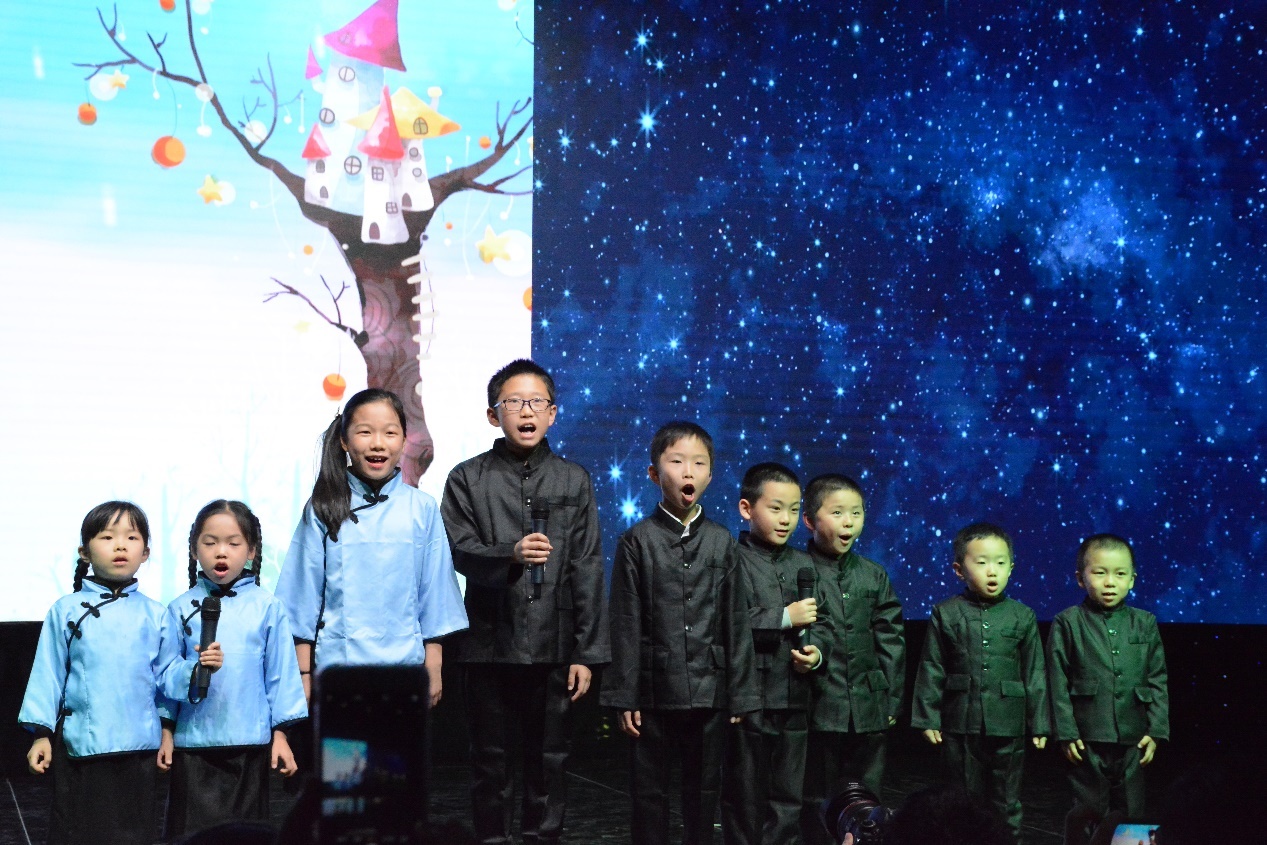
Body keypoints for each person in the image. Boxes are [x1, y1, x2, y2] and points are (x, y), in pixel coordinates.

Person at [440, 359, 609, 845]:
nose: (526, 411)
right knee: (489, 762)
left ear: (553, 413)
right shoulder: (467, 478)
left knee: (549, 761)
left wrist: (585, 652)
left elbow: (587, 565)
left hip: (554, 645)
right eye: (514, 402)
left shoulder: (573, 479)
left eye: (537, 402)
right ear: (493, 415)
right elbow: (457, 550)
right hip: (488, 643)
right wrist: (508, 554)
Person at [18, 501, 220, 845]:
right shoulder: (66, 610)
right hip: (83, 747)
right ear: (84, 552)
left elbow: (167, 675)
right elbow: (47, 674)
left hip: (138, 749)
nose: (120, 546)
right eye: (107, 537)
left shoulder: (155, 614)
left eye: (131, 537)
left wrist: (198, 669)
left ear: (146, 553)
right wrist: (41, 734)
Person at [602, 421, 757, 845]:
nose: (688, 471)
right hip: (654, 690)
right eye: (676, 462)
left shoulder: (722, 541)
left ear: (710, 475)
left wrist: (741, 693)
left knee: (704, 791)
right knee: (648, 792)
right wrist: (625, 695)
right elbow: (625, 620)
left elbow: (735, 619)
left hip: (710, 690)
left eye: (698, 463)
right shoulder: (637, 541)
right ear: (654, 474)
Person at [276, 387, 467, 703]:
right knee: (345, 740)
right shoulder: (323, 506)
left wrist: (434, 665)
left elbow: (436, 594)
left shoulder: (422, 508)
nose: (378, 443)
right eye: (365, 432)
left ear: (403, 440)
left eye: (390, 433)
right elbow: (301, 597)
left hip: (406, 670)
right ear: (344, 440)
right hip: (337, 671)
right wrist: (303, 673)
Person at [162, 499, 309, 837]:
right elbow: (164, 674)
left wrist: (281, 735)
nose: (221, 552)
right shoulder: (179, 608)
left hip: (248, 747)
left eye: (233, 543)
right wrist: (167, 730)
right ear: (194, 549)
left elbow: (281, 675)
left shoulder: (267, 607)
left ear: (252, 551)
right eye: (210, 543)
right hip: (193, 746)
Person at [911, 521, 1049, 844]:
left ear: (1011, 568)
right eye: (982, 562)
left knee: (1006, 800)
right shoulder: (945, 613)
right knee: (961, 798)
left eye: (1000, 563)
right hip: (960, 720)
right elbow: (932, 666)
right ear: (959, 570)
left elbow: (1035, 673)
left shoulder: (1023, 615)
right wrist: (928, 717)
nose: (992, 571)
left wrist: (1040, 723)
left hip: (1008, 722)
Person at [721, 462, 830, 845]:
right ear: (746, 508)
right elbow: (727, 621)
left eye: (794, 510)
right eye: (776, 508)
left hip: (795, 696)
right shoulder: (732, 559)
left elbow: (823, 622)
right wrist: (783, 617)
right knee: (744, 793)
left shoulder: (804, 563)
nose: (786, 519)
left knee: (788, 796)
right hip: (750, 697)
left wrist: (817, 654)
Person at [799, 474, 905, 845]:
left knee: (868, 796)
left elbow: (891, 640)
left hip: (869, 706)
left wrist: (891, 700)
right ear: (809, 520)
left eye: (856, 513)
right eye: (838, 513)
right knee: (817, 795)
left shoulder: (873, 575)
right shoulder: (799, 571)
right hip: (820, 704)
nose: (848, 522)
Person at [1046, 534, 1169, 842]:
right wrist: (1066, 732)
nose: (1110, 582)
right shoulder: (1067, 623)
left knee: (1132, 809)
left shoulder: (1145, 622)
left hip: (1133, 734)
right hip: (1087, 734)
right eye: (1100, 573)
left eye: (1120, 573)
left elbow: (1157, 678)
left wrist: (1156, 729)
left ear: (1132, 579)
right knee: (1089, 807)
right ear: (1080, 578)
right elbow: (1057, 681)